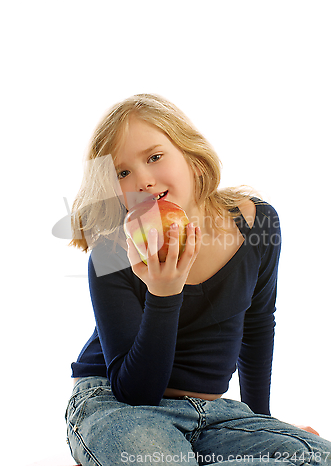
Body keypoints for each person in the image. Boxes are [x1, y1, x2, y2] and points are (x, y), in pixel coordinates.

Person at [65, 94, 331, 465]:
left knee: (317, 457)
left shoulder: (255, 225)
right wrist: (163, 293)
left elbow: (256, 327)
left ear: (190, 154)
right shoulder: (112, 254)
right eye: (122, 173)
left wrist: (261, 422)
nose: (142, 179)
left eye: (154, 157)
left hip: (211, 414)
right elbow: (135, 391)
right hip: (116, 401)